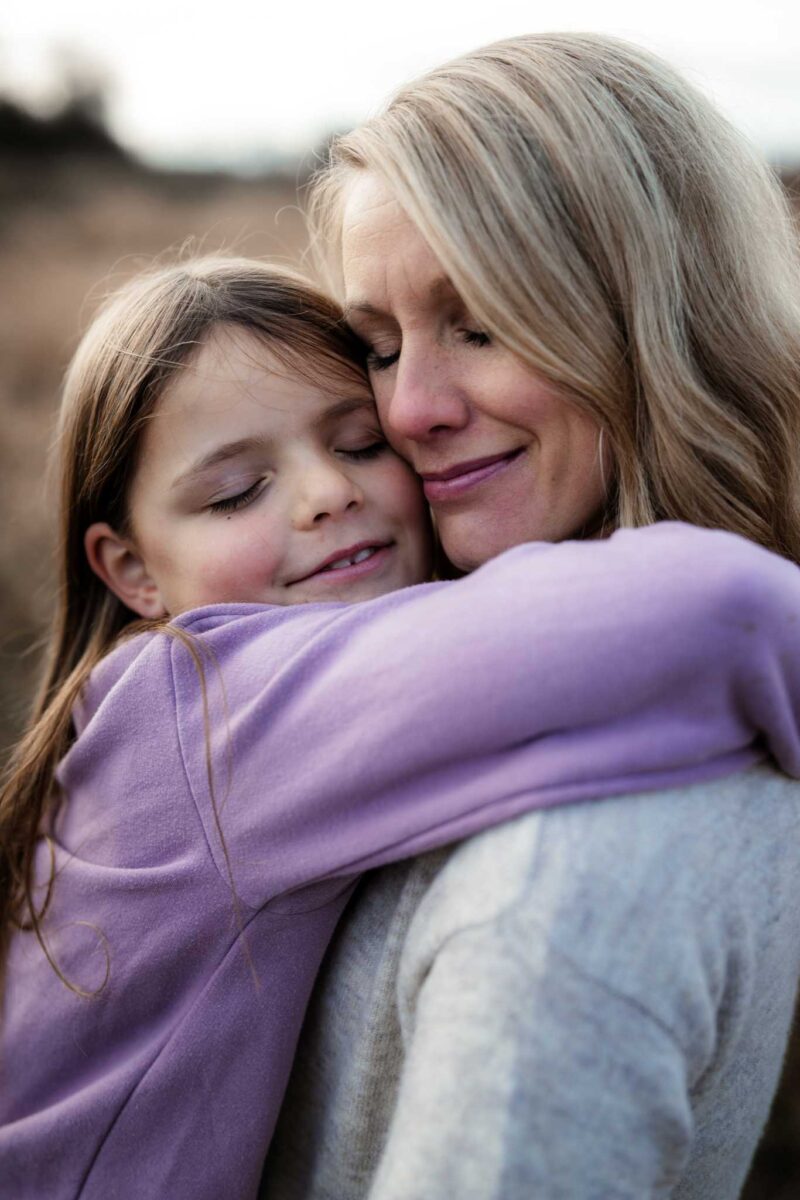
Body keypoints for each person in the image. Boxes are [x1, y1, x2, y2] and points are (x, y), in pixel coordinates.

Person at [4, 258, 796, 1199]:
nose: (324, 494)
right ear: (132, 570)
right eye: (233, 493)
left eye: (359, 443)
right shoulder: (196, 707)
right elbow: (714, 614)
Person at [260, 33, 800, 1200]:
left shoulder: (574, 867)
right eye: (378, 342)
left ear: (658, 317)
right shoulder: (434, 688)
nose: (408, 408)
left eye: (482, 322)